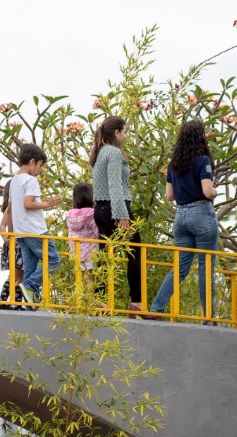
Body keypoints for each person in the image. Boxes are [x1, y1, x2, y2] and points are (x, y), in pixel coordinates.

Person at [149, 120, 219, 319]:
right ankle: (209, 319)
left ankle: (156, 308)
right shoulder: (203, 160)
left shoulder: (174, 163)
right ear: (201, 137)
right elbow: (207, 191)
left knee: (179, 267)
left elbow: (169, 196)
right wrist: (214, 190)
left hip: (181, 216)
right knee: (206, 269)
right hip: (201, 214)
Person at [90, 116, 145, 313]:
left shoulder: (98, 153)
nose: (126, 135)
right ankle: (137, 302)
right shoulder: (113, 153)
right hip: (116, 208)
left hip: (100, 209)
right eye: (124, 132)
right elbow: (114, 185)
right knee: (136, 252)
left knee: (103, 255)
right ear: (116, 133)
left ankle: (100, 301)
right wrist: (122, 215)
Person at [6, 143, 63, 304]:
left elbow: (11, 209)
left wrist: (11, 234)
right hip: (35, 231)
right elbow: (28, 204)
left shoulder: (14, 181)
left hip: (21, 233)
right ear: (32, 162)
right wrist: (49, 204)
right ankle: (30, 285)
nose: (40, 169)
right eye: (40, 165)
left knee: (29, 268)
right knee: (53, 260)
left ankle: (30, 304)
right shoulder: (30, 180)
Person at [65, 183, 97, 271]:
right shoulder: (92, 214)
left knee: (82, 275)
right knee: (90, 274)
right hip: (90, 250)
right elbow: (97, 231)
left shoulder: (70, 215)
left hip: (76, 250)